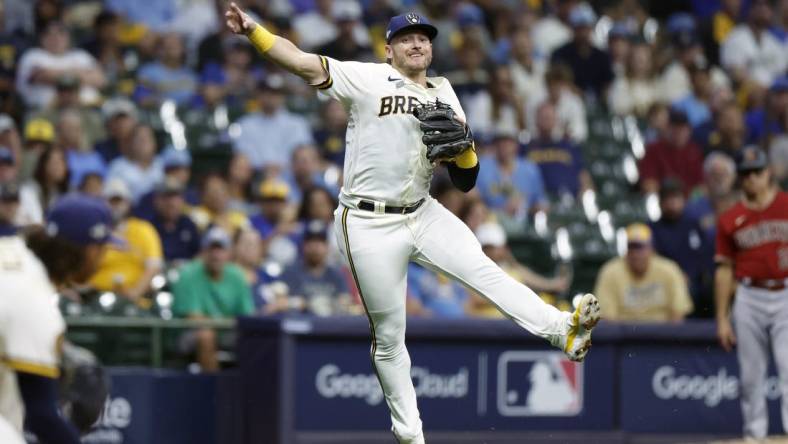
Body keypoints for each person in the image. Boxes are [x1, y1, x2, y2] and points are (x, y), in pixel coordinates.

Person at [225, 5, 600, 442]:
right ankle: (411, 437)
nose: (418, 42)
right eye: (406, 37)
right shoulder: (366, 78)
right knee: (389, 337)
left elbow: (465, 180)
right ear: (389, 50)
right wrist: (255, 32)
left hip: (421, 211)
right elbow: (300, 60)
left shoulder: (445, 92)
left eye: (423, 37)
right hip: (367, 221)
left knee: (488, 272)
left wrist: (467, 151)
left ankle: (563, 333)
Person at [0, 194, 113, 444]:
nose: (104, 258)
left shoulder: (9, 246)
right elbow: (42, 415)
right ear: (88, 250)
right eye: (103, 249)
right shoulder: (34, 300)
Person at [715, 146, 788, 441]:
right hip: (749, 295)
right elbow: (723, 269)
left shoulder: (786, 205)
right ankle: (754, 435)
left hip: (785, 293)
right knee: (750, 377)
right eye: (745, 173)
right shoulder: (731, 218)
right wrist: (721, 317)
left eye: (757, 172)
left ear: (768, 172)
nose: (751, 178)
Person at [172, 226, 254, 371]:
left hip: (228, 331)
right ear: (203, 252)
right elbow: (193, 318)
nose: (216, 255)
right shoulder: (188, 274)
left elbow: (247, 315)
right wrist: (227, 323)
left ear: (229, 253)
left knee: (257, 338)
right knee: (206, 335)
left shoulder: (237, 275)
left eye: (220, 249)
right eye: (211, 249)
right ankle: (214, 388)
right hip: (188, 333)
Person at [594, 223, 693, 322]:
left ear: (651, 249)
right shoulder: (610, 271)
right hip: (624, 334)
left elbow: (678, 313)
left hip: (662, 334)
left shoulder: (669, 269)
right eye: (632, 247)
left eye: (640, 247)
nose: (636, 253)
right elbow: (607, 318)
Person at [88, 179, 164, 303]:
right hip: (96, 295)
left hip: (135, 298)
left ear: (128, 203)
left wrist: (135, 293)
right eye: (111, 201)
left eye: (119, 201)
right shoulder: (94, 230)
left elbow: (153, 266)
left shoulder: (143, 229)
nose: (115, 206)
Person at [649, 178, 714, 317]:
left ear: (684, 200)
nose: (672, 203)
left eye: (676, 197)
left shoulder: (693, 224)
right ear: (660, 203)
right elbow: (653, 260)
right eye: (667, 198)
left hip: (695, 281)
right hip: (665, 282)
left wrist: (692, 274)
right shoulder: (653, 228)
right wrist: (676, 276)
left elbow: (704, 255)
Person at [279, 220, 352, 316]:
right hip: (301, 324)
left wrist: (331, 304)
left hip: (331, 325)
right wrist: (306, 304)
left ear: (327, 246)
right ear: (303, 245)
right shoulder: (290, 272)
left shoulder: (336, 273)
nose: (315, 247)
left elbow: (345, 301)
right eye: (310, 242)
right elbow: (280, 303)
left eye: (320, 242)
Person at [523, 101, 592, 198]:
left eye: (549, 117)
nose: (546, 120)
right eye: (543, 117)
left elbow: (583, 174)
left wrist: (586, 192)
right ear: (536, 120)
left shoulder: (569, 146)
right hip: (536, 200)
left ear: (555, 120)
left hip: (569, 199)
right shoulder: (525, 148)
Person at [550, 3, 614, 98]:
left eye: (586, 28)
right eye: (579, 28)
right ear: (573, 29)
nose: (583, 33)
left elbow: (608, 82)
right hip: (570, 100)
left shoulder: (602, 56)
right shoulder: (560, 54)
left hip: (598, 102)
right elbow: (558, 79)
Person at [638, 108, 704, 195]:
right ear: (667, 129)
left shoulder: (694, 151)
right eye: (675, 129)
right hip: (662, 200)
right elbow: (648, 184)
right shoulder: (654, 149)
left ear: (689, 130)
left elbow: (702, 186)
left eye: (682, 129)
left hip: (690, 203)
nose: (679, 134)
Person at [148, 178, 201, 263]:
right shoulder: (148, 227)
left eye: (175, 197)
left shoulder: (189, 225)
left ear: (182, 200)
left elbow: (199, 253)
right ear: (156, 200)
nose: (171, 203)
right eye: (166, 197)